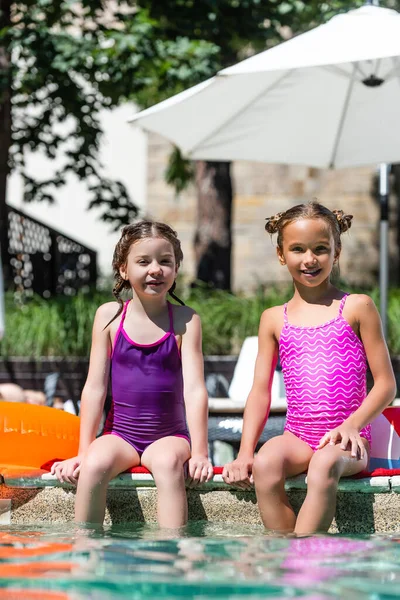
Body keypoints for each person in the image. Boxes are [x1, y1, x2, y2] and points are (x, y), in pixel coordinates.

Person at [222, 201, 396, 535]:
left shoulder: (357, 307)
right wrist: (245, 452)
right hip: (298, 436)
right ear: (281, 254)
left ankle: (304, 554)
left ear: (337, 250)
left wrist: (351, 425)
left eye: (320, 249)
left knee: (325, 462)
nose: (310, 259)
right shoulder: (273, 318)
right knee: (266, 461)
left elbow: (386, 385)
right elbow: (259, 392)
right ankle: (286, 554)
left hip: (349, 439)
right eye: (298, 249)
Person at [51, 221, 212, 528]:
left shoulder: (185, 320)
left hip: (170, 437)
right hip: (120, 435)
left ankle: (172, 556)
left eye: (165, 262)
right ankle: (85, 551)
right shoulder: (109, 316)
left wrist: (201, 452)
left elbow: (194, 390)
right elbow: (94, 389)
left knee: (166, 464)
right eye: (143, 262)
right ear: (123, 269)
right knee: (95, 463)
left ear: (177, 269)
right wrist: (83, 452)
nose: (156, 270)